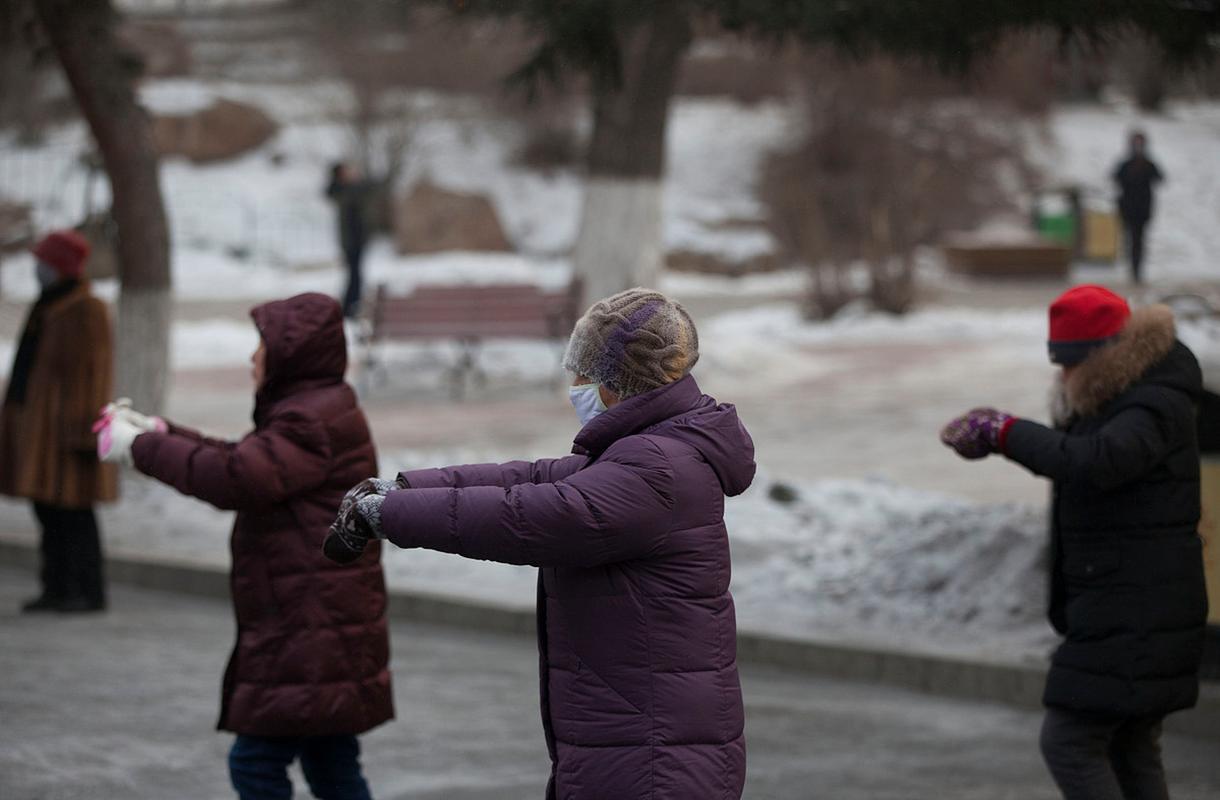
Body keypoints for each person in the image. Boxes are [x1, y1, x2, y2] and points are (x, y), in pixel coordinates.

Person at [324, 288, 754, 800]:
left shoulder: (656, 468)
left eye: (584, 372)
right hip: (639, 745)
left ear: (620, 384)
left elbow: (533, 515)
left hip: (654, 761)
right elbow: (526, 478)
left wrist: (389, 515)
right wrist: (405, 488)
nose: (574, 385)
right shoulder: (648, 452)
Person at [97, 293, 393, 800]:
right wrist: (164, 433)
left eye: (262, 346)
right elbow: (246, 458)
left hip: (310, 620)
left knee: (256, 763)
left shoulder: (309, 420)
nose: (253, 358)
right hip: (319, 615)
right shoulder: (317, 408)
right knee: (331, 762)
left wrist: (138, 448)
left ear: (290, 355)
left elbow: (236, 477)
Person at [941, 284, 1208, 800]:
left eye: (1068, 365)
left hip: (1136, 612)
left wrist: (1005, 432)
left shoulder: (1152, 404)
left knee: (1070, 740)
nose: (1062, 377)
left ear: (1104, 357)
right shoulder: (1125, 396)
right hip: (1132, 607)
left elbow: (1094, 463)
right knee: (1130, 747)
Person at [1, 230, 116, 613]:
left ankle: (84, 590)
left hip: (69, 434)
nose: (38, 269)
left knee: (74, 515)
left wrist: (83, 428)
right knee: (49, 512)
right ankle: (57, 586)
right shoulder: (50, 303)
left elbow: (95, 374)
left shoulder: (86, 308)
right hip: (41, 431)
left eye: (45, 263)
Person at [1112, 130, 1164, 284]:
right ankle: (1133, 270)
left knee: (1139, 241)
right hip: (1128, 208)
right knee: (1130, 240)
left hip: (1143, 209)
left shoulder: (1148, 164)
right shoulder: (1126, 164)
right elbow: (1115, 178)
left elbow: (1160, 178)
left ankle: (1137, 271)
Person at [326, 162, 374, 319]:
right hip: (351, 240)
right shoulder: (343, 191)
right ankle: (350, 306)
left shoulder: (346, 190)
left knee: (355, 273)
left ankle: (352, 304)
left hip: (356, 238)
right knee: (354, 274)